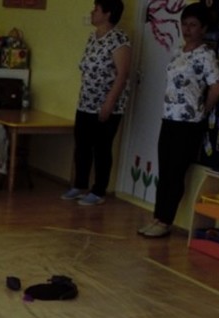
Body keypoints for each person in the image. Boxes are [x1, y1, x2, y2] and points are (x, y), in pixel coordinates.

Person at [140, 3, 219, 238]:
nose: (187, 29)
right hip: (169, 118)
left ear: (203, 28)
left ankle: (166, 221)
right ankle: (157, 217)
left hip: (188, 123)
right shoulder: (179, 51)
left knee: (176, 173)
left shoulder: (206, 55)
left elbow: (217, 87)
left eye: (193, 25)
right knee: (165, 171)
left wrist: (203, 110)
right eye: (184, 24)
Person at [62, 0, 132, 207]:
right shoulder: (93, 36)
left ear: (107, 14)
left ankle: (99, 190)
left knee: (102, 148)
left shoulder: (119, 39)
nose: (92, 12)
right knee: (82, 145)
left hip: (107, 105)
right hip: (86, 102)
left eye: (97, 9)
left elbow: (122, 75)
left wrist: (109, 103)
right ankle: (79, 184)